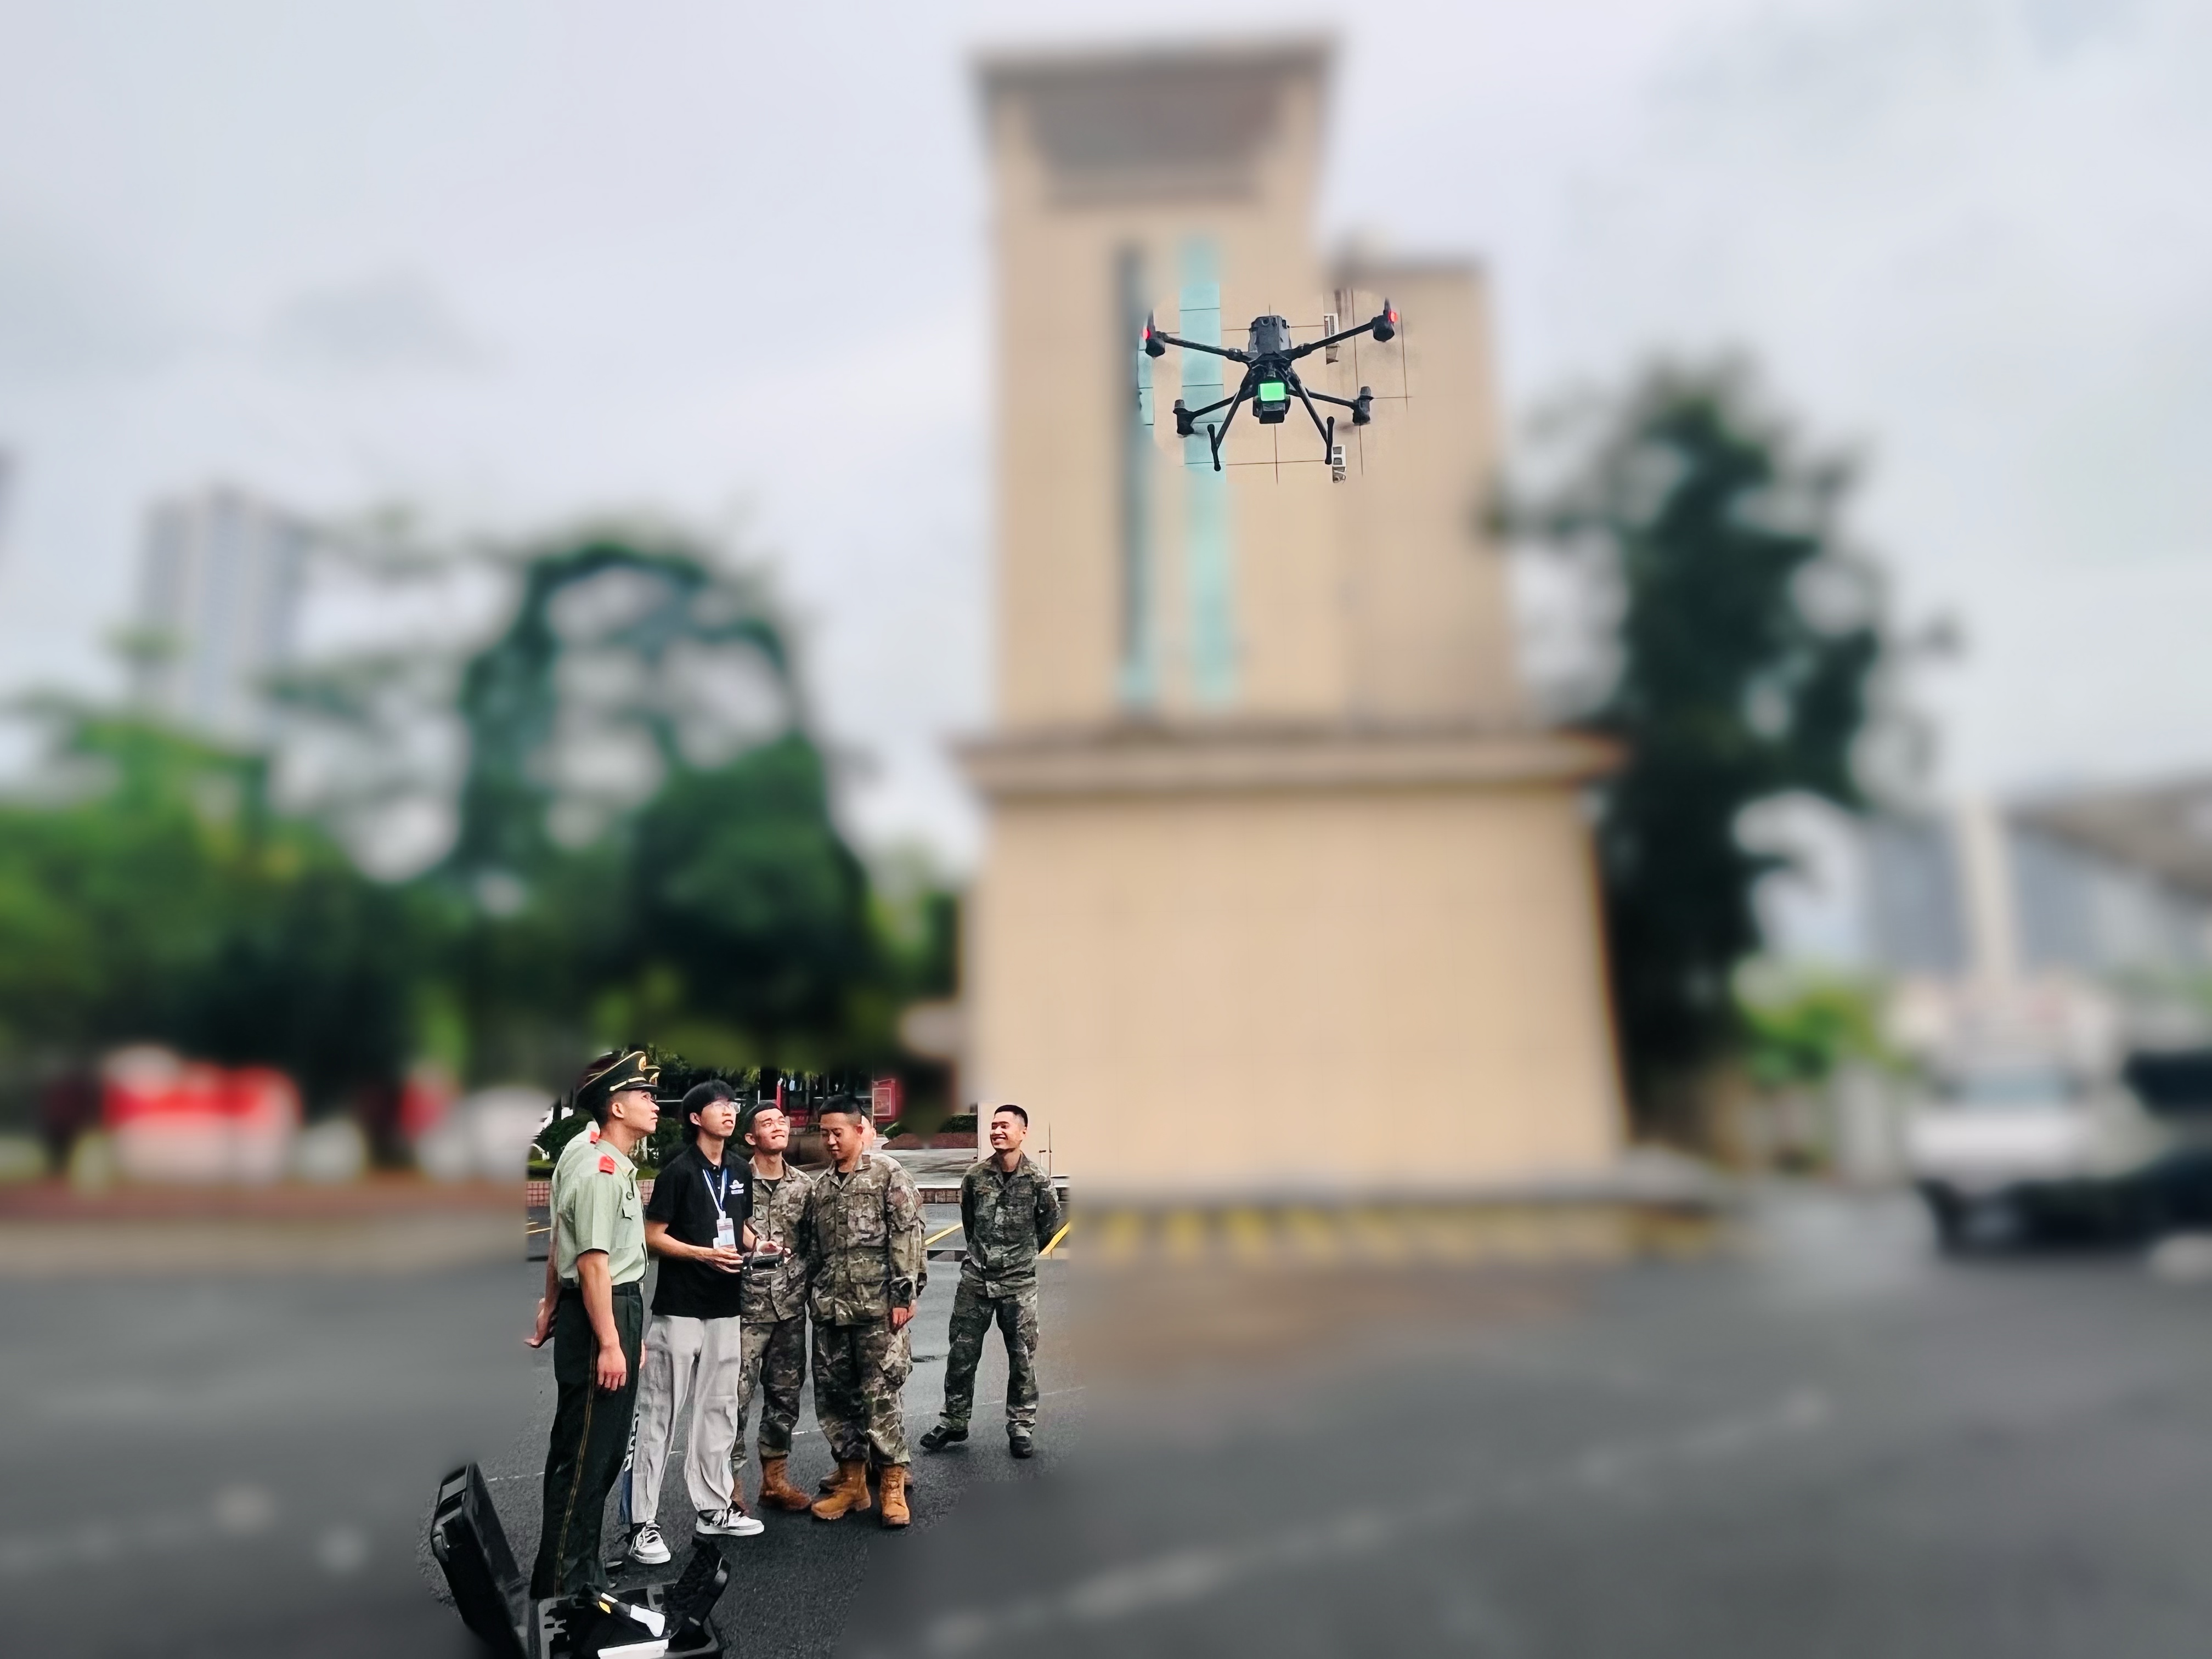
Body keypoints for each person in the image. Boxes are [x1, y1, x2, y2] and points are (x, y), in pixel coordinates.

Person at [527, 1049, 659, 1599]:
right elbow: (592, 1263)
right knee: (587, 1459)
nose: (654, 1104)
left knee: (589, 1455)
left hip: (609, 1310)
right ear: (616, 1106)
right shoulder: (600, 1170)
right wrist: (610, 1341)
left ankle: (571, 1577)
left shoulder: (593, 1155)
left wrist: (550, 1304)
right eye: (645, 1095)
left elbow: (562, 1238)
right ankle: (565, 1592)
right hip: (602, 1310)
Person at [626, 1079, 763, 1564]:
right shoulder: (678, 1171)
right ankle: (641, 1524)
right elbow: (652, 1236)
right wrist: (702, 1254)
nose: (730, 1112)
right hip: (680, 1307)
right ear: (694, 1118)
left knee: (719, 1410)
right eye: (719, 1106)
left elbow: (740, 1226)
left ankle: (713, 1507)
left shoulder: (740, 1168)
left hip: (726, 1306)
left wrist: (761, 1245)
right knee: (659, 1412)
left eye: (733, 1106)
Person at [801, 1096, 925, 1527]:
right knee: (836, 1401)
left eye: (838, 1133)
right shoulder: (821, 1187)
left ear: (860, 1130)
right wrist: (812, 1298)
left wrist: (904, 1296)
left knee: (881, 1399)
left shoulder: (888, 1174)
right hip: (832, 1312)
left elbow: (908, 1235)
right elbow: (815, 1250)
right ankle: (853, 1484)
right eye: (824, 1134)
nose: (830, 1141)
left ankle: (892, 1487)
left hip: (877, 1311)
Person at [921, 1104, 1062, 1459]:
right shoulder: (975, 1177)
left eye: (1005, 1126)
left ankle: (1021, 1426)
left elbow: (1049, 1226)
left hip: (1018, 1284)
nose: (998, 1131)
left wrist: (1021, 1256)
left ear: (1023, 1132)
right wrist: (983, 1257)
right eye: (994, 1125)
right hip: (976, 1281)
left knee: (1022, 1359)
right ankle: (954, 1421)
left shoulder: (1038, 1181)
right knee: (961, 1355)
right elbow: (969, 1222)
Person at [729, 1101, 816, 1513]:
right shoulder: (734, 1181)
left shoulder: (803, 1186)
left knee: (785, 1397)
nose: (778, 1126)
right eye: (767, 1122)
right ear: (751, 1137)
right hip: (744, 1310)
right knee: (734, 1400)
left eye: (782, 1120)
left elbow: (812, 1244)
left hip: (789, 1310)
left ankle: (775, 1481)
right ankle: (728, 1488)